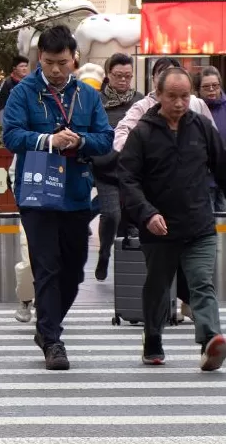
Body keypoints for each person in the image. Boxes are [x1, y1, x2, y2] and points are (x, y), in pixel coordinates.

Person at [3, 25, 113, 371]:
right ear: (40, 59)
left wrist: (79, 141)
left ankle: (47, 324)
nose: (55, 69)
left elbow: (105, 138)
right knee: (47, 266)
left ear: (73, 59)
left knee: (74, 269)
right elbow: (12, 136)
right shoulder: (24, 92)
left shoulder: (88, 95)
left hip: (77, 192)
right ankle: (52, 339)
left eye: (62, 62)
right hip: (37, 192)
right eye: (49, 62)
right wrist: (49, 141)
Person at [119, 67, 226, 371]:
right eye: (172, 97)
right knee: (157, 285)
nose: (179, 103)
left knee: (202, 282)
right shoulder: (142, 132)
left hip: (199, 224)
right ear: (158, 94)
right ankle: (153, 339)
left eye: (184, 96)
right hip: (159, 227)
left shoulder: (202, 126)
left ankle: (210, 340)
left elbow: (222, 168)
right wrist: (147, 213)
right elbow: (127, 179)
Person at [91, 53, 143, 282]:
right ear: (108, 75)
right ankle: (104, 254)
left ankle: (131, 262)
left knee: (134, 219)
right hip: (106, 170)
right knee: (111, 215)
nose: (123, 81)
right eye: (118, 76)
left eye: (128, 76)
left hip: (133, 171)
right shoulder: (97, 102)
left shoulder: (140, 101)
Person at [198, 67, 226, 211]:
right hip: (204, 181)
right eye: (206, 86)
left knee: (224, 225)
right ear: (199, 89)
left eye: (215, 85)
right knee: (209, 223)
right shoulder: (195, 109)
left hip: (224, 179)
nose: (211, 90)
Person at [0, 55, 30, 120]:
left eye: (26, 66)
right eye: (21, 66)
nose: (24, 68)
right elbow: (0, 104)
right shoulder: (6, 83)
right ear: (14, 69)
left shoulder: (29, 83)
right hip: (10, 118)